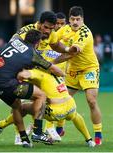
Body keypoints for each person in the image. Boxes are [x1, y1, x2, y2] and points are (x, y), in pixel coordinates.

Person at [10, 10, 80, 145]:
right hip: (21, 70)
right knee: (16, 102)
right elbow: (11, 44)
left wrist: (66, 50)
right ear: (39, 23)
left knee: (41, 99)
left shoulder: (51, 34)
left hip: (37, 72)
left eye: (51, 28)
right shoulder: (26, 31)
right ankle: (19, 134)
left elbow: (55, 44)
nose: (48, 31)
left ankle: (38, 131)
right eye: (46, 27)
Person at [0, 29, 65, 148]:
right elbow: (52, 68)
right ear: (38, 42)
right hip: (8, 84)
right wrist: (63, 75)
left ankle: (24, 139)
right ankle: (37, 132)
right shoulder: (32, 53)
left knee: (17, 106)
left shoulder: (14, 42)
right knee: (41, 95)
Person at [0, 68, 96, 147]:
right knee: (75, 116)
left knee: (22, 108)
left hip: (55, 111)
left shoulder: (39, 73)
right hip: (70, 105)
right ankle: (89, 140)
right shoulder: (54, 72)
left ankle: (0, 125)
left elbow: (23, 75)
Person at [53, 6, 102, 145]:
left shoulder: (85, 33)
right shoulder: (65, 29)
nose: (75, 22)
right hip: (73, 71)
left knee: (91, 101)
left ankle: (98, 133)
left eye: (78, 19)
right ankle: (60, 129)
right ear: (69, 20)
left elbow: (71, 53)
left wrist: (50, 62)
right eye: (73, 19)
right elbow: (54, 40)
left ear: (83, 20)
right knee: (62, 99)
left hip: (89, 69)